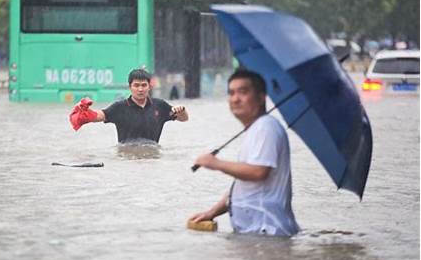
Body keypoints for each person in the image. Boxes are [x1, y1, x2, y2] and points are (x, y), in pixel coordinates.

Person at [188, 69, 299, 237]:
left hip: (267, 233)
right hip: (253, 235)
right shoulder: (254, 130)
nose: (235, 99)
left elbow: (258, 172)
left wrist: (216, 164)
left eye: (243, 92)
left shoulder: (266, 127)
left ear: (261, 97)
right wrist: (212, 212)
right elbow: (245, 186)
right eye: (231, 93)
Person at [69, 68, 188, 143]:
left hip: (153, 158)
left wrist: (182, 111)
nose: (140, 89)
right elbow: (100, 115)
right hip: (126, 157)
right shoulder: (119, 107)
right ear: (129, 87)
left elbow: (184, 119)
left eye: (143, 85)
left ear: (149, 87)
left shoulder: (160, 106)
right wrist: (85, 113)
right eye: (136, 85)